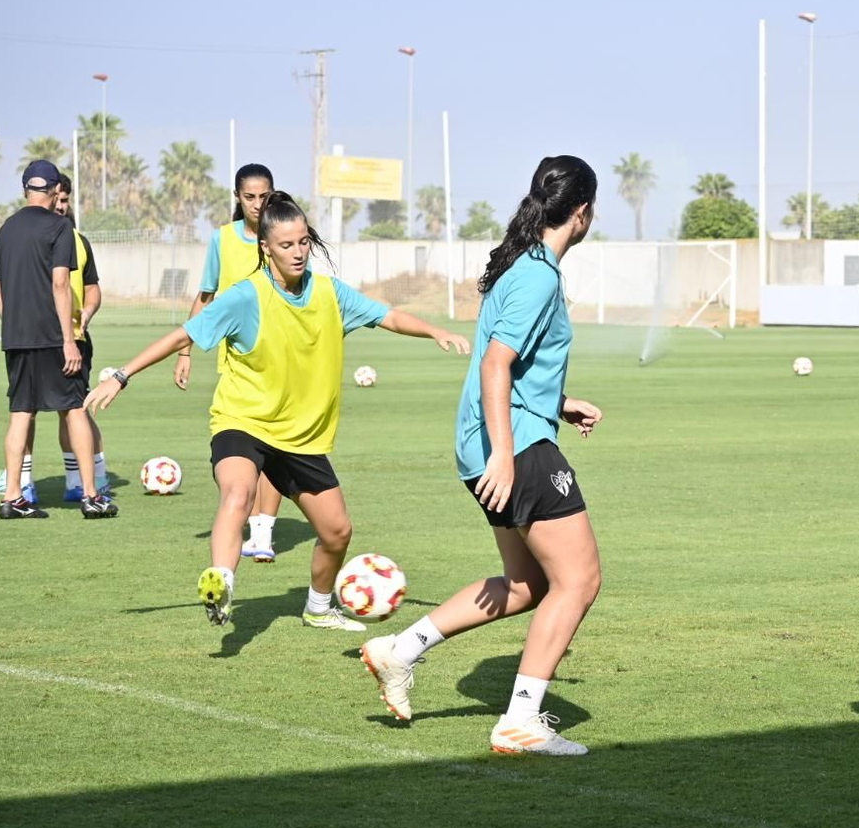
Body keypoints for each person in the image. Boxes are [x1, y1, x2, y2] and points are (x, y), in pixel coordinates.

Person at [84, 192, 469, 629]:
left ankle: (319, 609)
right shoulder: (245, 296)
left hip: (301, 437)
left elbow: (389, 316)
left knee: (337, 531)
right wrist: (121, 375)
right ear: (265, 247)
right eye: (287, 245)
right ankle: (222, 581)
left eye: (304, 242)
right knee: (238, 493)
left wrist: (436, 331)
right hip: (242, 420)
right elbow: (181, 336)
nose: (299, 251)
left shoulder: (329, 293)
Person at [359, 155, 605, 758]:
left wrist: (558, 402)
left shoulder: (521, 265)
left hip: (493, 442)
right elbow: (495, 363)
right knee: (579, 580)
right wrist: (506, 453)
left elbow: (510, 367)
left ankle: (401, 649)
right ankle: (520, 720)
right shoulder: (540, 275)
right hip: (512, 448)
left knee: (525, 585)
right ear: (583, 212)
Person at [0, 160, 118, 520]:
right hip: (53, 338)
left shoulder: (7, 229)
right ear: (56, 190)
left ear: (26, 189)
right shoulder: (60, 227)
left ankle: (12, 497)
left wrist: (14, 326)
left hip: (16, 338)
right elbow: (60, 284)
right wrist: (68, 341)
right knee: (73, 408)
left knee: (20, 414)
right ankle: (91, 495)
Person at [174, 163, 288, 563]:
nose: (258, 204)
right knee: (245, 449)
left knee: (277, 448)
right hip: (236, 364)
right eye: (250, 197)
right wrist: (185, 351)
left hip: (282, 362)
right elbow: (206, 298)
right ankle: (247, 520)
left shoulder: (285, 235)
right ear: (237, 198)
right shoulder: (223, 239)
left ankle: (262, 532)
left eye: (265, 195)